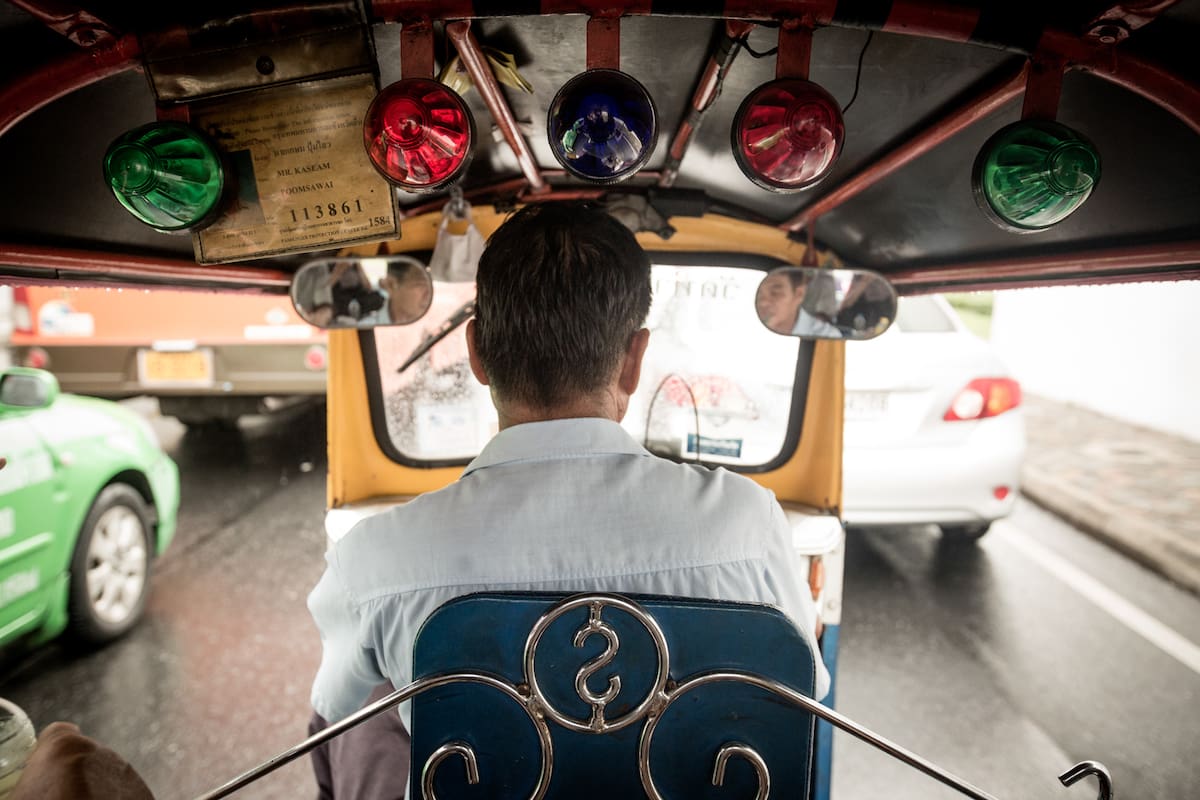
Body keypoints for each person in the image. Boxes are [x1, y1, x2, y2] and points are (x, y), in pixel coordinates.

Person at [306, 202, 830, 794]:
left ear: (476, 353)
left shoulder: (377, 555)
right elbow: (807, 685)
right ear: (634, 360)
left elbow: (332, 704)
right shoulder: (747, 521)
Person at [755, 269, 843, 338]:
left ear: (799, 294)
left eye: (775, 293)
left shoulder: (826, 335)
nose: (763, 302)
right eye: (760, 294)